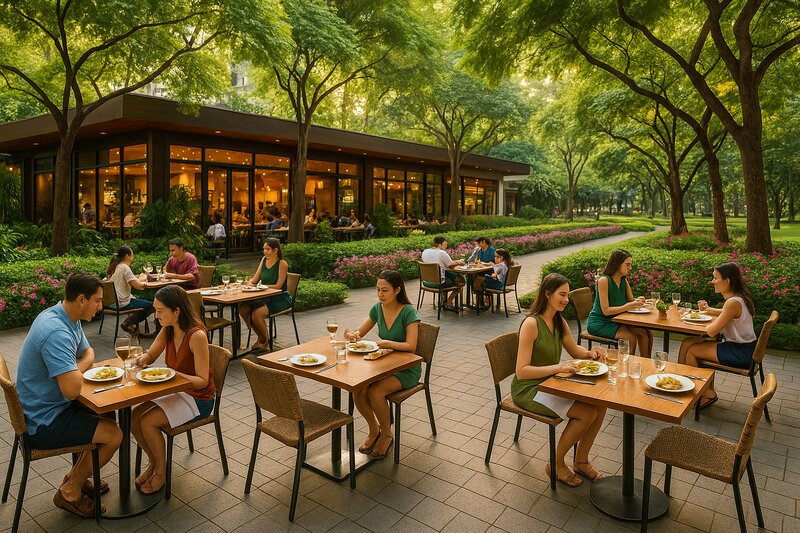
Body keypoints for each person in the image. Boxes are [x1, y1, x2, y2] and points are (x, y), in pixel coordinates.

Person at [16, 272, 122, 518]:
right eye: (97, 300)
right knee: (114, 435)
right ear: (82, 299)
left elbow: (89, 352)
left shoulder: (67, 317)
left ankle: (78, 474)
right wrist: (77, 369)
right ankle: (70, 489)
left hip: (49, 407)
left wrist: (77, 367)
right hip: (42, 423)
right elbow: (72, 389)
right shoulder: (56, 332)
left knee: (105, 411)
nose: (101, 305)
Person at [511, 273, 607, 487]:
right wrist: (559, 367)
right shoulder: (531, 324)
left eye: (567, 294)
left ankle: (581, 461)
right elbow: (521, 372)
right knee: (586, 413)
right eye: (561, 294)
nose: (566, 299)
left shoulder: (559, 320)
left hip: (551, 383)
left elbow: (575, 350)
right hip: (529, 389)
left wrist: (591, 353)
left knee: (600, 405)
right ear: (547, 294)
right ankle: (556, 463)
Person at [130, 285, 214, 494]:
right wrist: (141, 359)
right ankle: (154, 462)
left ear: (177, 311)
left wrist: (174, 375)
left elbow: (203, 381)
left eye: (160, 311)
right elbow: (151, 354)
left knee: (147, 422)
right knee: (133, 417)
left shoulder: (196, 335)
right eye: (155, 310)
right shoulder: (168, 328)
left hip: (199, 399)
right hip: (178, 390)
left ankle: (161, 471)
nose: (156, 315)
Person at [344, 271, 420, 460]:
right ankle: (373, 430)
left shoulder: (408, 312)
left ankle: (387, 434)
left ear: (397, 290)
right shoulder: (377, 308)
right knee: (358, 389)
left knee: (375, 391)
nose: (380, 294)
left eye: (385, 290)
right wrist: (353, 335)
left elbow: (411, 347)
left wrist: (388, 344)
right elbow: (360, 333)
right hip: (383, 365)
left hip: (406, 369)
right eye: (378, 290)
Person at [677, 262, 757, 410]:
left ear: (727, 281)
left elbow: (712, 331)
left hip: (740, 352)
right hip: (745, 348)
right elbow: (724, 314)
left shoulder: (732, 302)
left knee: (692, 351)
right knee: (687, 342)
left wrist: (690, 319)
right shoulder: (740, 298)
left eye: (715, 278)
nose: (712, 281)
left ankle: (707, 393)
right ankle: (681, 383)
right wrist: (707, 310)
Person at [586, 249, 653, 356]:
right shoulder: (604, 281)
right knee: (630, 339)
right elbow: (606, 311)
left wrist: (639, 300)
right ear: (617, 264)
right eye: (627, 264)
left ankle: (647, 365)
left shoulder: (623, 280)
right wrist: (628, 306)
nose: (630, 268)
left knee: (645, 333)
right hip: (600, 322)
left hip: (617, 320)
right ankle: (625, 367)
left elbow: (631, 300)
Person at [239, 238, 293, 353]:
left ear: (276, 250)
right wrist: (248, 284)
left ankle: (264, 342)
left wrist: (262, 287)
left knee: (256, 314)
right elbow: (255, 280)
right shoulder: (263, 260)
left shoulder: (282, 263)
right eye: (264, 249)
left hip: (279, 298)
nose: (265, 251)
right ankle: (262, 337)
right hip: (264, 296)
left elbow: (278, 286)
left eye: (268, 249)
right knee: (243, 309)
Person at [106, 245, 155, 338]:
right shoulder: (124, 267)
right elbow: (138, 286)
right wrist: (145, 282)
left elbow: (131, 282)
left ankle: (134, 331)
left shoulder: (114, 267)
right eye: (132, 255)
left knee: (135, 299)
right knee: (152, 305)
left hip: (112, 302)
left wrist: (139, 279)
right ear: (127, 255)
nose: (132, 257)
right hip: (122, 302)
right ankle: (128, 323)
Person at [421, 236, 463, 309]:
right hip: (439, 283)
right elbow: (450, 264)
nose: (446, 246)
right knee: (460, 283)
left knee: (451, 276)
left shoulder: (425, 251)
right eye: (445, 244)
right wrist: (459, 262)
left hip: (426, 282)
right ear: (440, 244)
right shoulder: (441, 252)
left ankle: (443, 300)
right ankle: (447, 303)